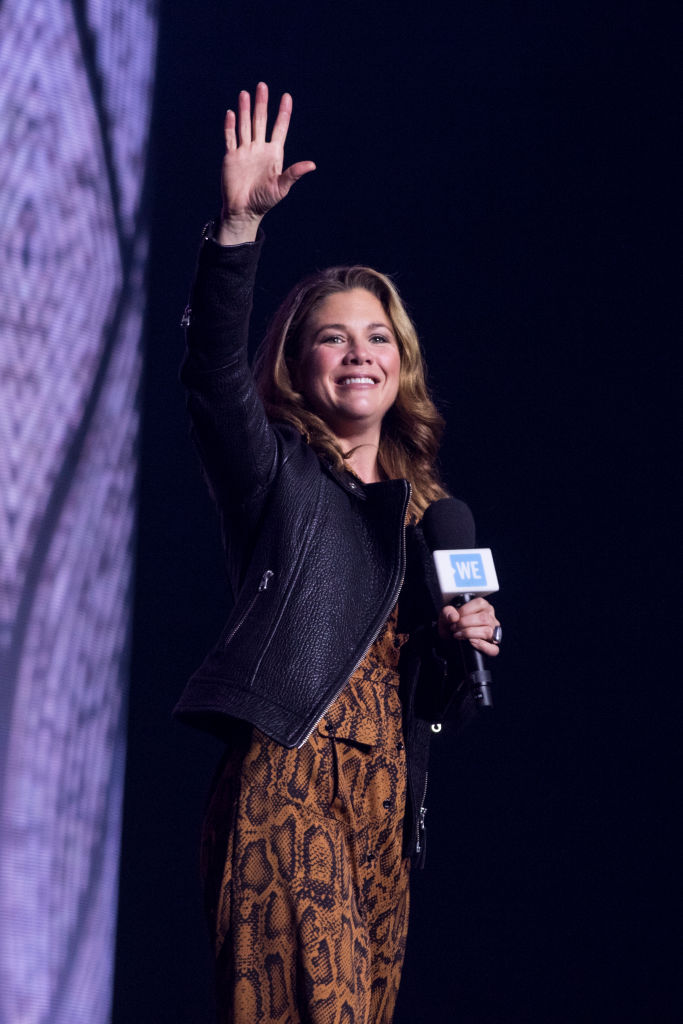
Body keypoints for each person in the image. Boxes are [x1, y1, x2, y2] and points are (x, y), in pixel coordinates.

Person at [175, 82, 501, 1024]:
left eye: (375, 336)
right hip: (287, 773)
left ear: (400, 362)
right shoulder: (272, 471)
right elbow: (207, 377)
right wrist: (236, 229)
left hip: (387, 810)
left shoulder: (431, 517)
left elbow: (437, 707)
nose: (358, 353)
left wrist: (454, 645)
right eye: (332, 337)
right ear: (298, 362)